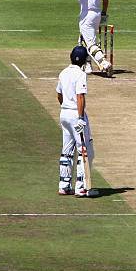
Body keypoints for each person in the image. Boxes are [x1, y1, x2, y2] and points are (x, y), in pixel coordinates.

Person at [55, 0, 112, 77]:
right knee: (82, 40)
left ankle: (103, 63)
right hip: (96, 15)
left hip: (87, 16)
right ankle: (87, 65)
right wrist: (104, 13)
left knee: (90, 43)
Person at [56, 46, 95, 197]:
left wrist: (65, 108)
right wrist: (79, 118)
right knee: (84, 150)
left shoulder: (63, 72)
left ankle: (64, 185)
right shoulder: (80, 74)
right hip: (75, 115)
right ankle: (81, 187)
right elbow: (80, 96)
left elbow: (59, 94)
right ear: (84, 60)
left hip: (64, 114)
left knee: (67, 150)